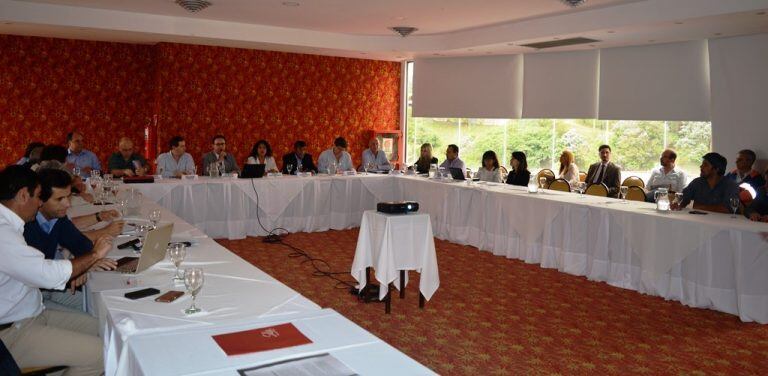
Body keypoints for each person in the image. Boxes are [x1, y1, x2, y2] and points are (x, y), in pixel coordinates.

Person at [0, 165, 107, 375]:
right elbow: (47, 274)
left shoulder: (11, 224)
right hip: (10, 332)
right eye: (39, 196)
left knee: (105, 329)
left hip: (32, 313)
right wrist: (95, 255)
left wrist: (81, 263)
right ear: (23, 195)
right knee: (100, 353)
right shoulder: (3, 233)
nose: (40, 203)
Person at [23, 169, 117, 312]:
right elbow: (38, 273)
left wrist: (83, 265)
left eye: (68, 197)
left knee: (101, 309)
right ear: (40, 200)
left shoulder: (57, 218)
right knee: (94, 317)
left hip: (52, 287)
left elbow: (80, 244)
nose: (67, 204)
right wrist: (80, 267)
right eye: (59, 199)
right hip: (29, 298)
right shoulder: (25, 225)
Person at [671, 152, 739, 214]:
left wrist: (700, 207)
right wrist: (677, 203)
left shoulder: (730, 185)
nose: (701, 167)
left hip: (722, 224)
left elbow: (728, 209)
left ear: (716, 169)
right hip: (698, 222)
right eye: (702, 164)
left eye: (705, 165)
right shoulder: (697, 182)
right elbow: (684, 197)